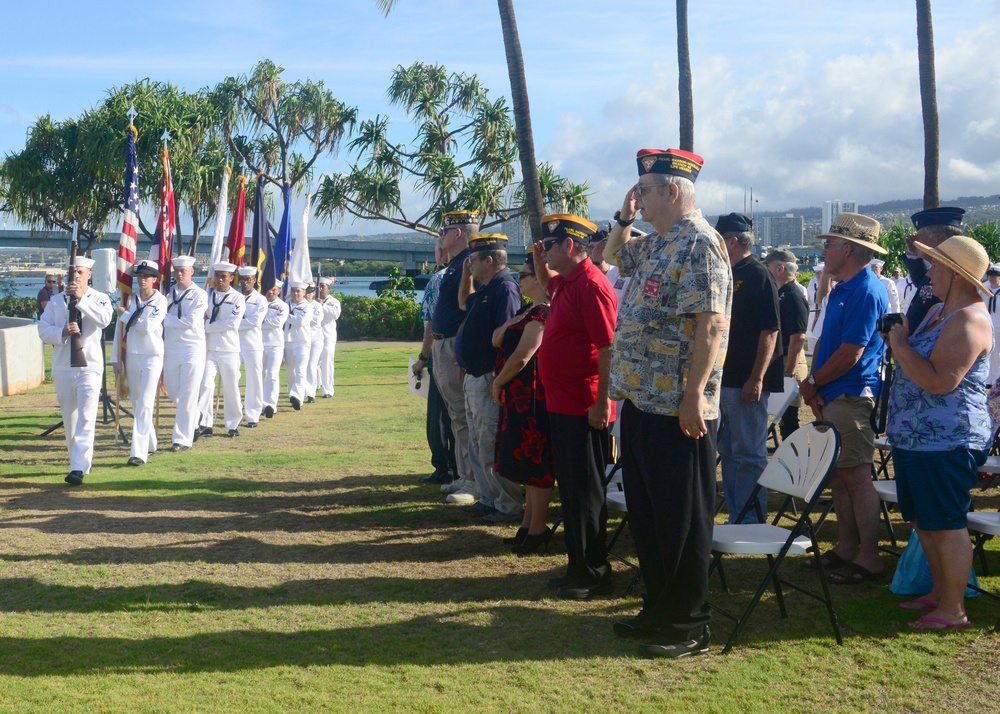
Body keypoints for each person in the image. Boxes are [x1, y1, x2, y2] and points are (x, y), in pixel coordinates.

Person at [605, 148, 731, 659]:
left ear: (672, 192)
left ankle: (688, 623)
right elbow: (612, 256)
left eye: (646, 191)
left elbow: (712, 325)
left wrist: (694, 396)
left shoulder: (700, 244)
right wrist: (623, 218)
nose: (640, 200)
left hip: (678, 408)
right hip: (641, 399)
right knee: (650, 515)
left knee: (681, 518)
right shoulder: (658, 242)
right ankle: (657, 608)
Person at [884, 235, 993, 630]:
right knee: (924, 520)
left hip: (947, 438)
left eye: (935, 264)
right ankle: (939, 592)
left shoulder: (969, 319)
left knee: (946, 522)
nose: (929, 270)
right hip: (917, 436)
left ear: (955, 273)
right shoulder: (941, 312)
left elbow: (940, 381)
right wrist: (901, 340)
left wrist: (899, 344)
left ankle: (953, 608)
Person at [797, 212, 889, 584]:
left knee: (855, 475)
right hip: (835, 393)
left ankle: (869, 555)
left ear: (847, 249)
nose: (823, 250)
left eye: (829, 244)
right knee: (840, 474)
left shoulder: (866, 289)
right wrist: (814, 384)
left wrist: (814, 381)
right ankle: (847, 547)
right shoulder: (842, 288)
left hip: (851, 394)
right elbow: (825, 343)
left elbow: (852, 351)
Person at [534, 212, 618, 600]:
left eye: (549, 245)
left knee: (586, 493)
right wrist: (540, 260)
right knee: (571, 490)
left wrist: (602, 403)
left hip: (584, 407)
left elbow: (608, 348)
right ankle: (577, 567)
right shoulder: (568, 282)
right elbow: (547, 283)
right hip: (563, 404)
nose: (544, 251)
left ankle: (593, 572)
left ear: (569, 246)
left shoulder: (591, 285)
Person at [716, 212, 782, 524]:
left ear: (731, 240)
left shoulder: (758, 274)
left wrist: (756, 378)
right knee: (729, 451)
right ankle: (736, 513)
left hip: (746, 379)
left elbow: (770, 330)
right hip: (725, 379)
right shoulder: (726, 272)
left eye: (719, 239)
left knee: (749, 452)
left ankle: (751, 518)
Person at [490, 251, 556, 554]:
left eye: (525, 275)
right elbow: (496, 338)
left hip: (531, 395)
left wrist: (498, 381)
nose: (519, 279)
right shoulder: (530, 310)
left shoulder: (543, 313)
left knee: (535, 460)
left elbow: (523, 355)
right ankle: (528, 524)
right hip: (518, 395)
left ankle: (538, 527)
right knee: (524, 464)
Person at [455, 233, 523, 522]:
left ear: (490, 260)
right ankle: (488, 497)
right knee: (477, 441)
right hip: (475, 376)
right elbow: (464, 303)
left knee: (490, 441)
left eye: (473, 260)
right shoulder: (487, 288)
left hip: (488, 378)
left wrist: (498, 379)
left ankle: (507, 504)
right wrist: (466, 275)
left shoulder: (504, 288)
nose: (469, 264)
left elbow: (506, 338)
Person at [37, 255, 114, 484]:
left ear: (89, 275)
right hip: (63, 366)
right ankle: (77, 462)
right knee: (70, 419)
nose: (76, 276)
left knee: (86, 417)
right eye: (73, 272)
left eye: (81, 272)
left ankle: (78, 468)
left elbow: (104, 320)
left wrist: (81, 300)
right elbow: (42, 329)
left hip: (89, 366)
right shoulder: (56, 300)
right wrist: (62, 332)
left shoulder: (99, 298)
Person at [433, 210, 481, 506]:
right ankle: (464, 474)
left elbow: (471, 307)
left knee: (467, 415)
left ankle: (475, 481)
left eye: (444, 231)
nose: (441, 236)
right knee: (457, 416)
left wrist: (464, 352)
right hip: (443, 344)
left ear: (459, 233)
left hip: (454, 346)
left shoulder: (469, 263)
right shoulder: (454, 265)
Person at [111, 259, 167, 466]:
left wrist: (125, 315)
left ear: (155, 279)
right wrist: (116, 359)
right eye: (139, 276)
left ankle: (138, 453)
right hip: (132, 354)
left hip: (152, 355)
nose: (142, 280)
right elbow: (120, 330)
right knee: (137, 403)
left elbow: (147, 326)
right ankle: (150, 442)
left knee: (145, 403)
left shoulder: (160, 301)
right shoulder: (130, 298)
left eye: (146, 277)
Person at [413, 242, 457, 485]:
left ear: (441, 252)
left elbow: (431, 323)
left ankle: (443, 467)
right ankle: (458, 466)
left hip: (440, 355)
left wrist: (423, 357)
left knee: (438, 418)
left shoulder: (439, 280)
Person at [162, 255, 208, 452]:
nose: (179, 274)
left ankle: (181, 439)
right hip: (171, 347)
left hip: (192, 348)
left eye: (184, 270)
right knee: (173, 390)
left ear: (192, 272)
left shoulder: (199, 295)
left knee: (189, 393)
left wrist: (164, 319)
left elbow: (190, 322)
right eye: (177, 270)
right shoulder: (168, 293)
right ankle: (195, 416)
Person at [763, 249, 810, 438]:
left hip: (790, 360)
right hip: (779, 360)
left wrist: (789, 373)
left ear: (780, 268)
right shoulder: (780, 293)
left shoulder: (794, 296)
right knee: (782, 417)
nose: (766, 270)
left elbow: (798, 338)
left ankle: (794, 458)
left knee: (788, 417)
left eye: (769, 266)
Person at [198, 261, 245, 438]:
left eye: (224, 277)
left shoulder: (237, 298)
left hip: (229, 349)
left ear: (231, 278)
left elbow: (232, 324)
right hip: (209, 348)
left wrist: (208, 325)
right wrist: (209, 325)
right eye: (217, 276)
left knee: (231, 386)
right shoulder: (207, 296)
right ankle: (205, 422)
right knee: (205, 384)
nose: (220, 280)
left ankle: (233, 423)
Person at [902, 207, 966, 334]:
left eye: (919, 237)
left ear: (939, 238)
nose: (915, 241)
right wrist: (915, 254)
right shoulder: (938, 269)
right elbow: (923, 283)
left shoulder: (955, 272)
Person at [237, 266, 267, 428]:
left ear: (254, 280)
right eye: (242, 279)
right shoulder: (234, 297)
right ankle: (234, 411)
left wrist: (232, 324)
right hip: (233, 343)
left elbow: (254, 322)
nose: (245, 283)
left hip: (253, 344)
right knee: (233, 378)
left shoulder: (260, 300)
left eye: (248, 280)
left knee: (254, 379)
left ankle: (253, 414)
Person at [261, 284, 288, 418]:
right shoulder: (260, 303)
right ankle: (260, 404)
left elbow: (278, 322)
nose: (271, 292)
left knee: (272, 374)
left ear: (279, 291)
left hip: (276, 344)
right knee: (260, 375)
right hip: (259, 343)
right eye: (269, 290)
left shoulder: (283, 305)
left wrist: (262, 322)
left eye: (274, 290)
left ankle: (271, 404)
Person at [284, 280, 312, 410]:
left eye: (298, 291)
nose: (295, 294)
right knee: (291, 372)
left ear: (304, 293)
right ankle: (295, 394)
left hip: (302, 342)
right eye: (293, 291)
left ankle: (297, 396)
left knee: (301, 370)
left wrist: (285, 315)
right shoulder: (285, 304)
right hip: (288, 342)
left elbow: (301, 321)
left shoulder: (307, 306)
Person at [317, 277, 342, 398]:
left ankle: (327, 390)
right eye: (319, 286)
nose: (321, 289)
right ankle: (314, 385)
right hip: (315, 336)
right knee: (313, 363)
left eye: (323, 286)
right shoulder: (312, 301)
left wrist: (322, 306)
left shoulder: (334, 302)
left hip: (328, 336)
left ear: (328, 288)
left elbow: (335, 315)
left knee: (327, 362)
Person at [304, 285, 323, 403]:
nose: (308, 295)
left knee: (311, 365)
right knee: (302, 366)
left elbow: (316, 321)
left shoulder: (317, 306)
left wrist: (303, 318)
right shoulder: (299, 305)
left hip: (316, 339)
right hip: (303, 339)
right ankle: (303, 390)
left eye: (310, 293)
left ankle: (311, 393)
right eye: (306, 292)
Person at [982, 264, 1000, 387]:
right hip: (989, 325)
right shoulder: (984, 288)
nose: (992, 278)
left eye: (995, 276)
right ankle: (991, 380)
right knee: (991, 353)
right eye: (990, 275)